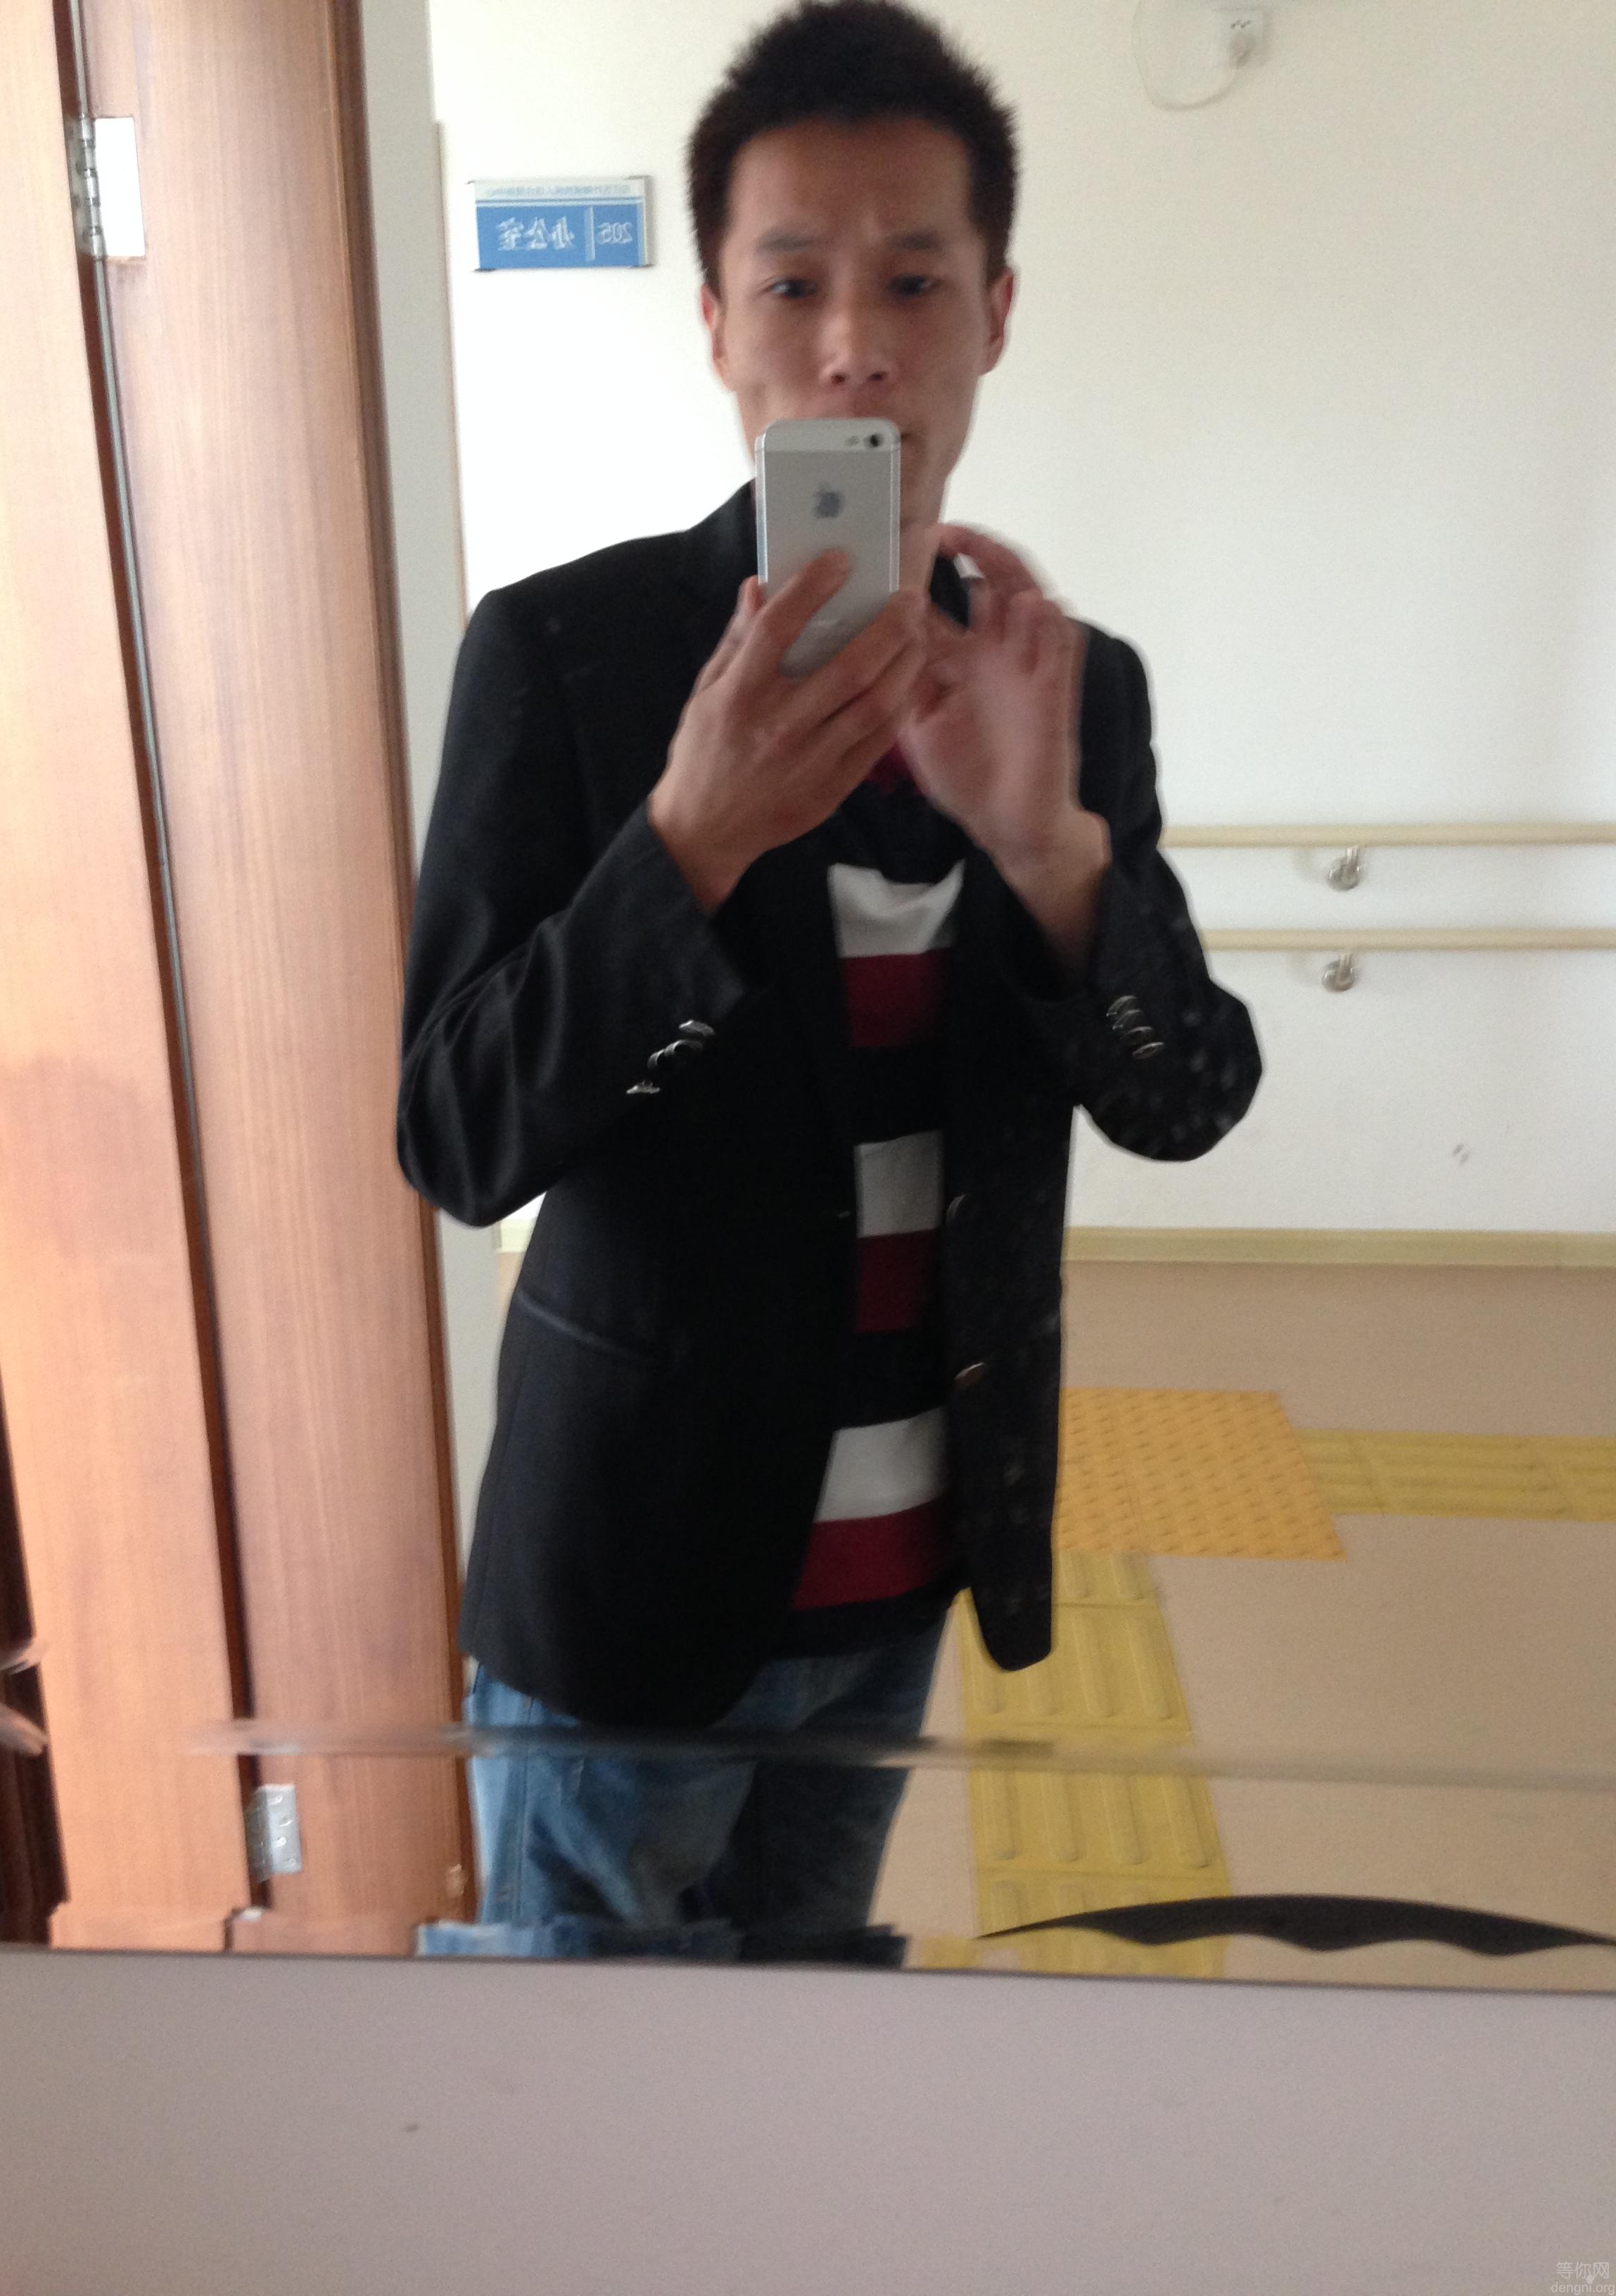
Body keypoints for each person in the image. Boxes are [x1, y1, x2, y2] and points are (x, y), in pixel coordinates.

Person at [397, 0, 1261, 1962]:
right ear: (715, 322)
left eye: (915, 280)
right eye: (792, 283)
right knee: (586, 2072)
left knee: (808, 2042)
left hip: (906, 1570)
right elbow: (456, 1133)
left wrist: (1050, 856)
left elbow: (1184, 1096)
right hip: (633, 1577)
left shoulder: (1068, 687)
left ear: (996, 314)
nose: (854, 341)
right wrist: (687, 844)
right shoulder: (566, 657)